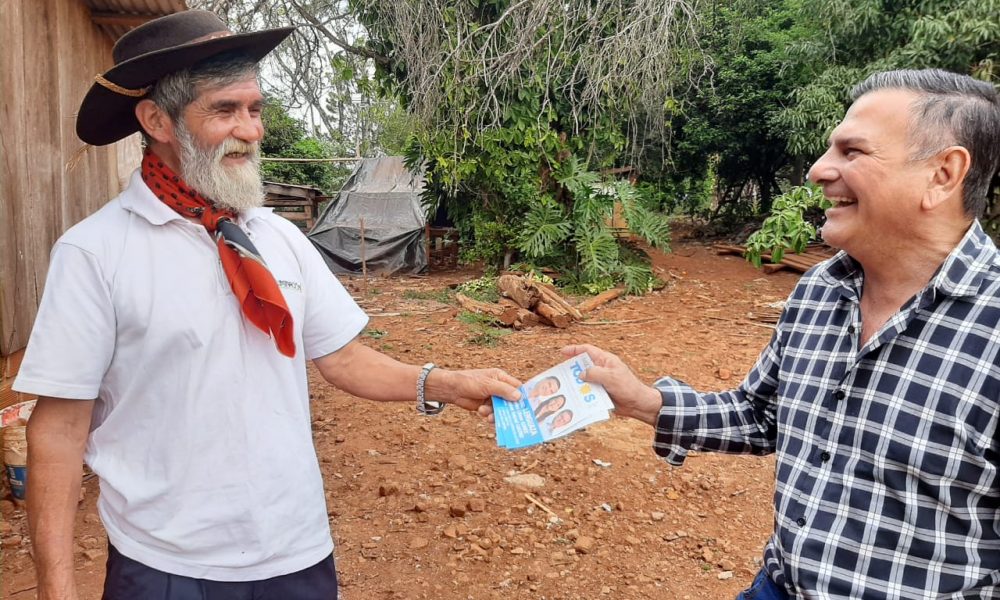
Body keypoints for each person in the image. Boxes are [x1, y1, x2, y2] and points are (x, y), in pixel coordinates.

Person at [14, 11, 521, 600]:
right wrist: (57, 589)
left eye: (255, 110)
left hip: (296, 549)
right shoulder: (96, 252)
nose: (251, 131)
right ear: (157, 120)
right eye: (224, 110)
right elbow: (58, 429)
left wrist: (448, 384)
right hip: (165, 564)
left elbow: (343, 359)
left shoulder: (275, 238)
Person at [565, 68, 1000, 599]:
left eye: (852, 151)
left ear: (943, 174)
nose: (819, 170)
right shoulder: (821, 287)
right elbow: (762, 413)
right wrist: (646, 402)